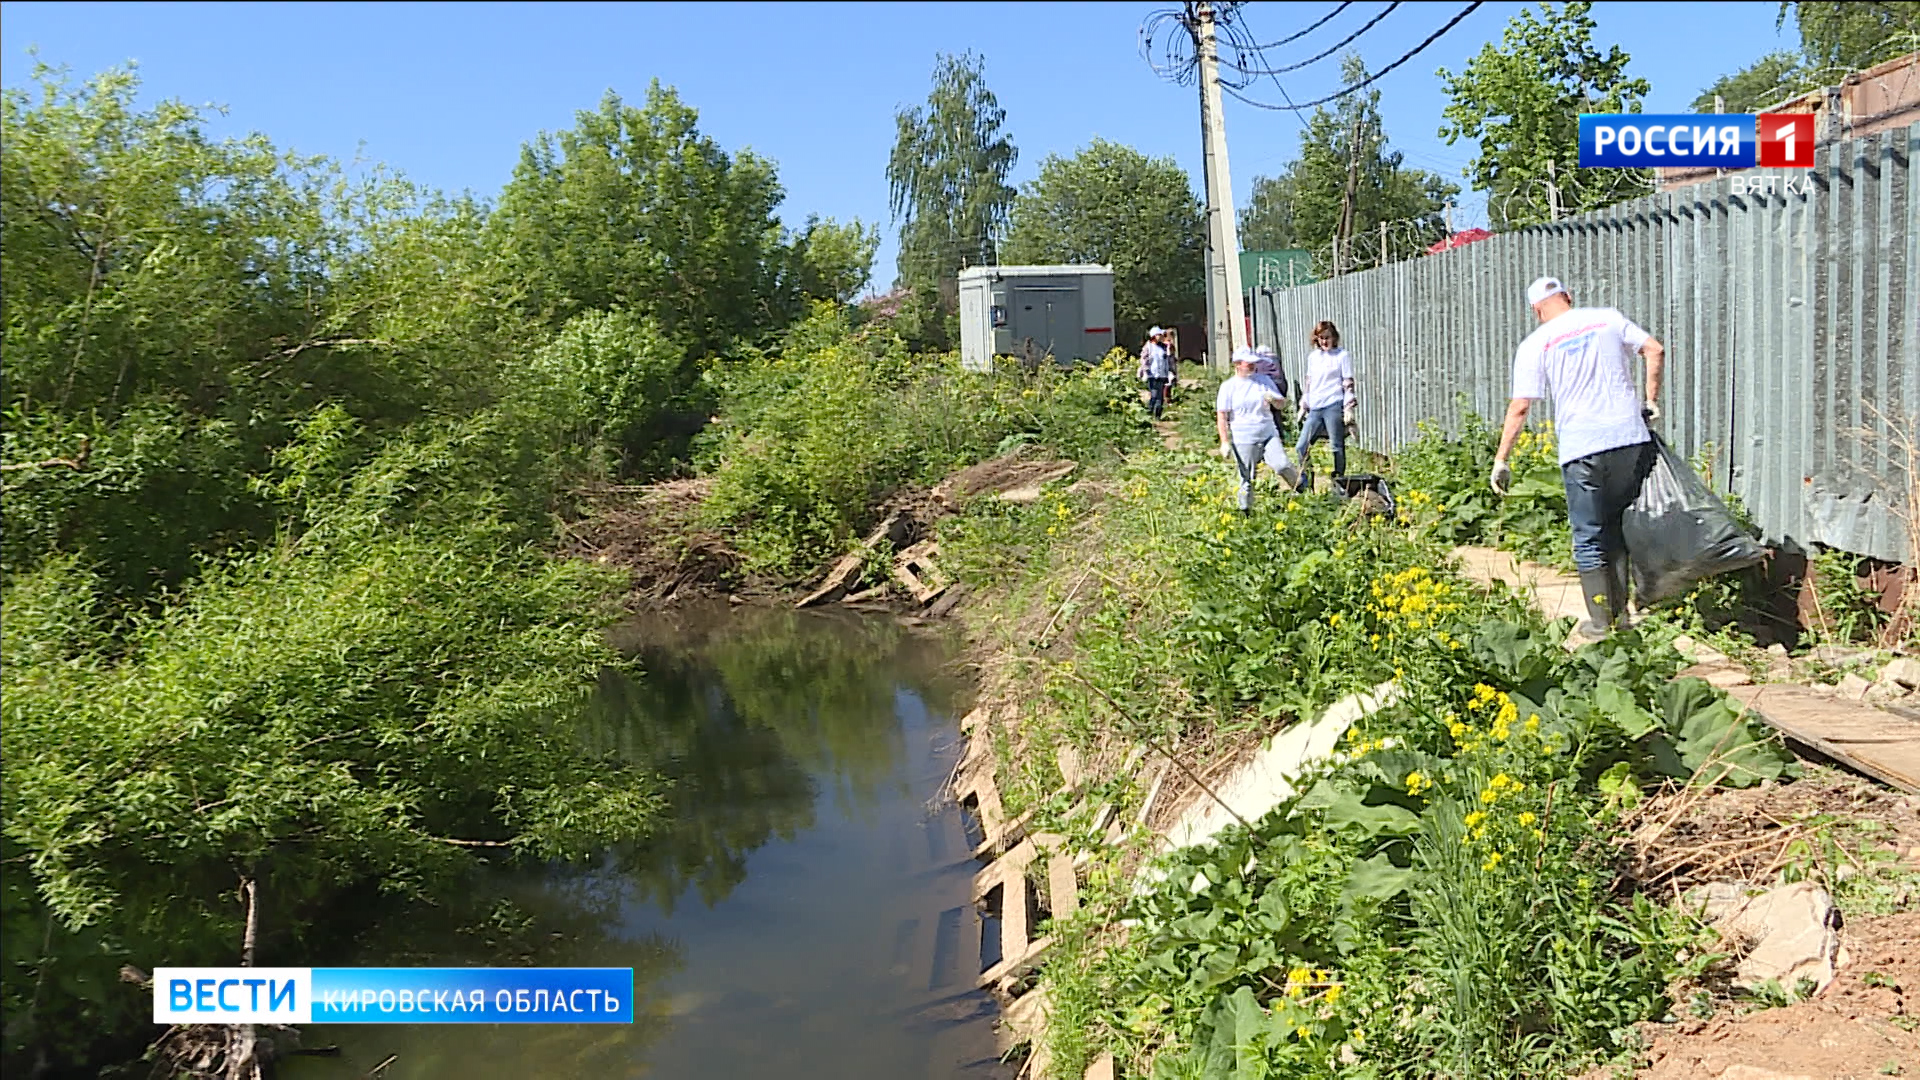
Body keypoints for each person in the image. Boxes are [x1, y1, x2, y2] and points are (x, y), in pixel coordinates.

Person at [1491, 276, 1665, 639]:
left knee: (1589, 535)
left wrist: (1502, 459)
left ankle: (1602, 624)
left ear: (1536, 310)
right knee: (1617, 525)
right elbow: (1655, 349)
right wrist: (1650, 401)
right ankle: (1624, 615)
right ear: (1568, 297)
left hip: (1583, 447)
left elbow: (1521, 406)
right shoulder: (1607, 318)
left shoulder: (1535, 343)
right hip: (1628, 439)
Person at [1216, 346, 1303, 513]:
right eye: (1248, 363)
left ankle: (1301, 487)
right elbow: (1222, 416)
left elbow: (1282, 404)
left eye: (1254, 363)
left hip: (1267, 432)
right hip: (1243, 437)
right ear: (1238, 364)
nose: (1252, 366)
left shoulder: (1264, 381)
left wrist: (1275, 401)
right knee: (1246, 478)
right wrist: (1224, 441)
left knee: (1282, 465)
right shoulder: (1228, 387)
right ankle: (1245, 511)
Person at [1294, 321, 1356, 487]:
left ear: (1334, 337)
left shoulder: (1342, 355)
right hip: (1315, 407)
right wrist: (1303, 404)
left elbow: (1347, 382)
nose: (1324, 341)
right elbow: (1309, 382)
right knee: (1301, 446)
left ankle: (1339, 481)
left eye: (1327, 337)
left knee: (1336, 446)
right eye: (1321, 338)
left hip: (1333, 404)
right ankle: (1306, 483)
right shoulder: (1313, 357)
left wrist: (1348, 406)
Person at [1139, 327, 1174, 419]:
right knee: (1154, 395)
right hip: (1152, 375)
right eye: (1160, 335)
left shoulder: (1163, 347)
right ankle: (1149, 414)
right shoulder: (1148, 347)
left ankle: (1158, 416)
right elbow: (1143, 359)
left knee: (1160, 397)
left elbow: (1167, 360)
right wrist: (1145, 371)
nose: (1162, 336)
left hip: (1162, 375)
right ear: (1154, 336)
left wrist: (1170, 372)